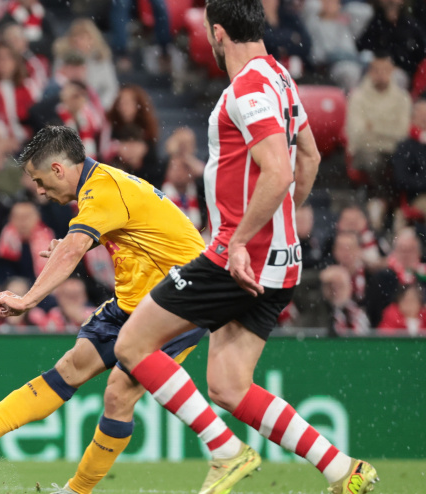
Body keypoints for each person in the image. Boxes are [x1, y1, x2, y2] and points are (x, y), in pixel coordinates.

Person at [99, 2, 375, 494]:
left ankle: (225, 451)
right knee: (228, 386)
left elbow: (280, 169)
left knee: (132, 344)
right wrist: (282, 222)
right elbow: (308, 155)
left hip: (239, 257)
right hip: (281, 262)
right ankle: (342, 469)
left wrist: (245, 239)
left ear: (217, 32)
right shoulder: (282, 78)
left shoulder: (247, 88)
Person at [0, 126, 208, 494]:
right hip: (136, 300)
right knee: (70, 367)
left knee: (119, 393)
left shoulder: (103, 190)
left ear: (58, 169)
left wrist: (28, 299)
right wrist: (75, 243)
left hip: (178, 304)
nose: (39, 191)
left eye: (40, 181)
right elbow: (127, 234)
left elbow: (73, 250)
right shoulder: (101, 188)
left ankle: (77, 492)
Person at [346, 54, 412, 188]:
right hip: (366, 150)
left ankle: (395, 200)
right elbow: (358, 133)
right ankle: (382, 198)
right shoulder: (357, 97)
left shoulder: (403, 98)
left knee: (410, 160)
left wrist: (373, 126)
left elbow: (402, 132)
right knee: (373, 161)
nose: (381, 75)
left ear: (392, 72)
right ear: (370, 72)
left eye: (385, 70)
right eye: (377, 70)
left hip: (395, 149)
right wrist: (388, 128)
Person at [0, 41, 39, 148]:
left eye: (7, 58)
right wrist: (4, 137)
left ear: (15, 61)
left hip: (27, 139)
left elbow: (37, 115)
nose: (3, 62)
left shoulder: (28, 86)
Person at [52, 19, 117, 109]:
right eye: (75, 37)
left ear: (92, 39)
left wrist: (99, 107)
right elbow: (56, 84)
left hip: (97, 108)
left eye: (82, 37)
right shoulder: (63, 59)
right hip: (68, 107)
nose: (78, 41)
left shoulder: (101, 59)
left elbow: (110, 89)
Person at [318, 265, 371, 337]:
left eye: (340, 286)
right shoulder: (316, 313)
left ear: (349, 288)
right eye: (330, 286)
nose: (335, 291)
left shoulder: (357, 313)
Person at [392, 99, 426, 209]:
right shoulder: (406, 146)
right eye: (421, 115)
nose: (424, 119)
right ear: (413, 118)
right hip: (418, 197)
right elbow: (401, 178)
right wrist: (422, 184)